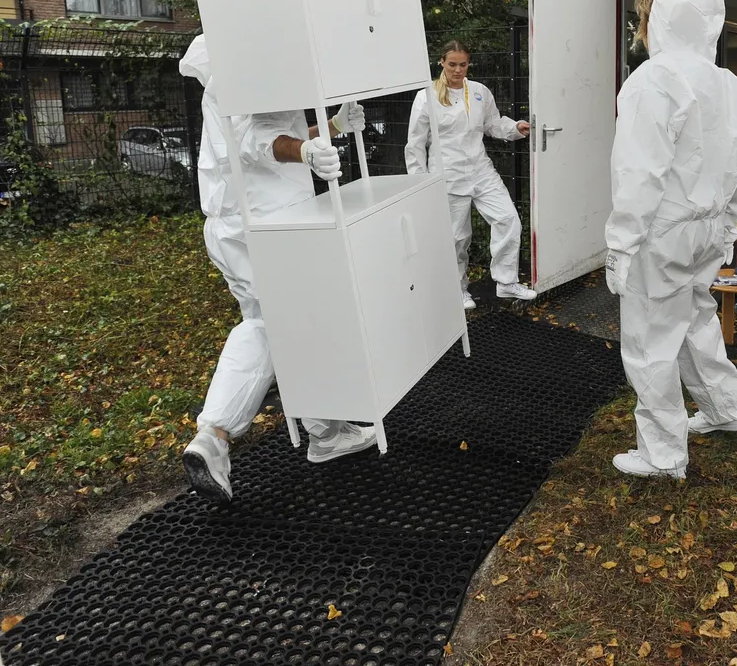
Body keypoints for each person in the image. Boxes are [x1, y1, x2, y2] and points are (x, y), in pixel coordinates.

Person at [178, 35, 378, 504]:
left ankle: (325, 431)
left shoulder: (244, 59)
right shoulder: (246, 65)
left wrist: (328, 127)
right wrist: (306, 152)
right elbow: (255, 141)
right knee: (272, 325)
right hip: (263, 227)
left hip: (242, 224)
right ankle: (216, 436)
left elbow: (269, 130)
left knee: (298, 325)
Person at [604, 0, 737, 479]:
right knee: (695, 317)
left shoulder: (654, 78)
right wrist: (730, 226)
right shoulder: (730, 85)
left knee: (650, 337)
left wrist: (621, 243)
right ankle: (725, 409)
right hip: (709, 227)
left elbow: (639, 171)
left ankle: (662, 454)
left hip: (663, 229)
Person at [405, 40, 536, 309]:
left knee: (509, 219)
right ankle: (458, 288)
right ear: (441, 62)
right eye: (452, 64)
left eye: (462, 64)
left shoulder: (478, 91)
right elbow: (416, 143)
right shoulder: (426, 95)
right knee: (456, 237)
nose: (457, 69)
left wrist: (515, 128)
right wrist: (419, 182)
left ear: (468, 63)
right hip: (447, 174)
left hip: (481, 170)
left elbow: (492, 123)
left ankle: (506, 281)